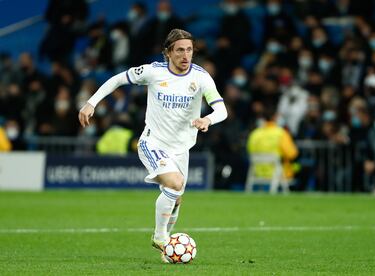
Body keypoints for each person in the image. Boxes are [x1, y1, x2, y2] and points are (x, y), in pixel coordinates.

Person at [78, 29, 227, 261]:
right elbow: (118, 79)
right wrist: (91, 103)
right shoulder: (153, 72)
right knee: (175, 183)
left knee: (176, 197)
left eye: (189, 50)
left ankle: (167, 248)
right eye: (179, 50)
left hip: (182, 148)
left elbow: (222, 109)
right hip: (152, 142)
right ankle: (160, 237)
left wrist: (208, 119)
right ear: (167, 52)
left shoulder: (201, 77)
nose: (185, 55)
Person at [246, 107, 299, 189]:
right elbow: (292, 154)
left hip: (257, 172)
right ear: (274, 117)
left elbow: (250, 151)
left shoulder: (254, 134)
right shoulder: (281, 133)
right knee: (298, 167)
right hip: (278, 172)